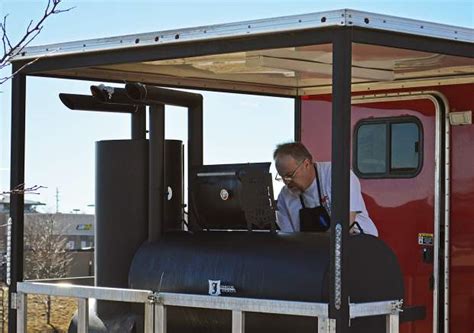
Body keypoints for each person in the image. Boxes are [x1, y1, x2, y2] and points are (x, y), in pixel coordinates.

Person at [274, 142, 378, 236]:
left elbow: (345, 225)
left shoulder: (338, 175)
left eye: (289, 175)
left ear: (306, 164)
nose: (286, 182)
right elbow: (289, 238)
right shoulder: (284, 197)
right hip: (315, 251)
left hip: (360, 243)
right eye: (282, 177)